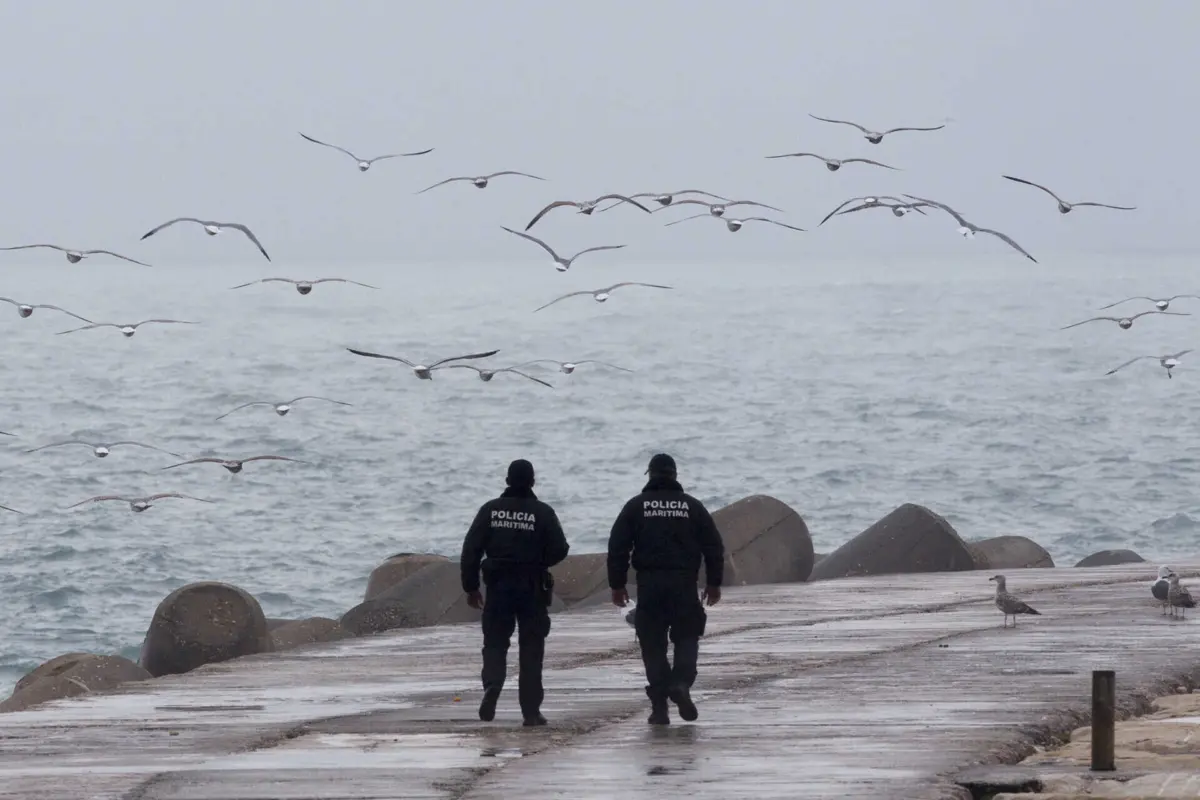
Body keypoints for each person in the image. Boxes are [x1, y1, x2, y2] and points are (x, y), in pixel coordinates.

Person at [607, 453, 725, 725]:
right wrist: (714, 582)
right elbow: (713, 547)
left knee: (652, 644)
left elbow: (618, 547)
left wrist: (617, 584)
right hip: (684, 584)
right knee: (687, 636)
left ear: (650, 475)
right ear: (674, 475)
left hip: (650, 586)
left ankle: (660, 708)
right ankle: (681, 683)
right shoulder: (692, 507)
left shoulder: (636, 506)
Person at [461, 458, 569, 726]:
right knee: (532, 648)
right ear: (532, 482)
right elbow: (560, 549)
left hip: (498, 587)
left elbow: (471, 549)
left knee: (495, 643)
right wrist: (537, 560)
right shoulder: (542, 512)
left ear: (507, 481)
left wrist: (471, 587)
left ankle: (492, 686)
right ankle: (531, 712)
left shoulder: (491, 510)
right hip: (531, 587)